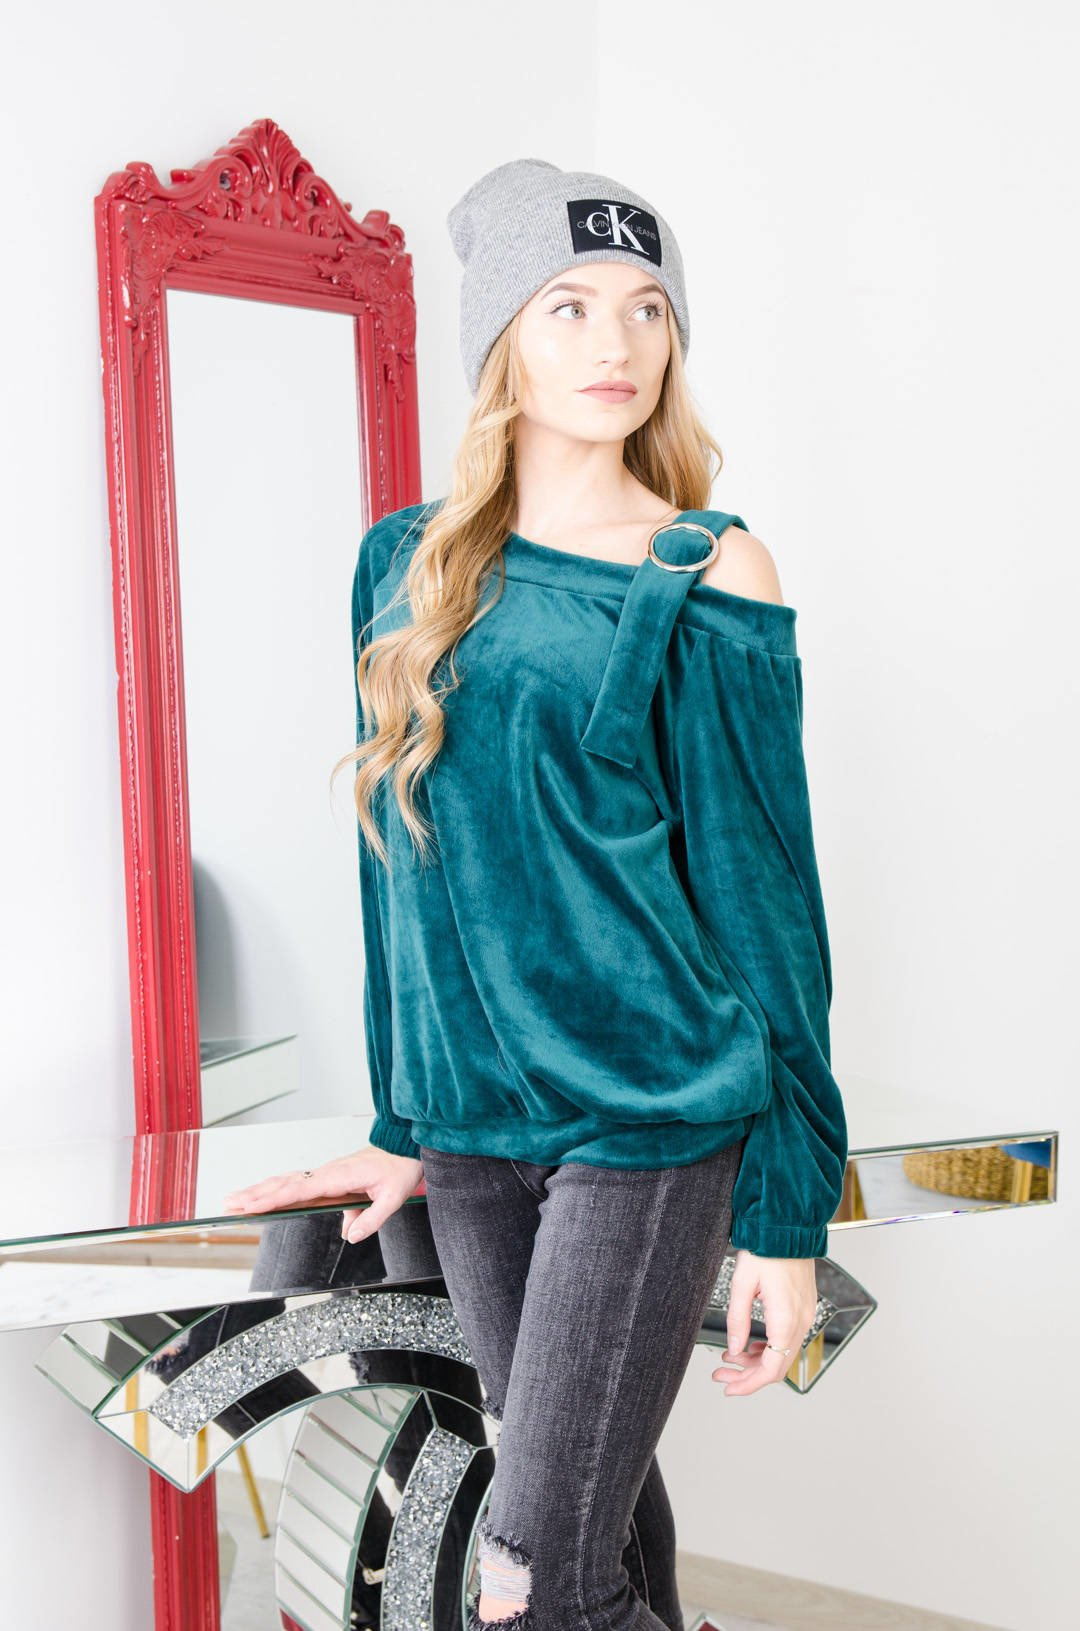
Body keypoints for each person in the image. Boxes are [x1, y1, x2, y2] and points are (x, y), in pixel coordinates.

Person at [226, 158, 848, 1631]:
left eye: (646, 308)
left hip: (646, 1122)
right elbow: (397, 873)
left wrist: (788, 1215)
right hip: (472, 1139)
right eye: (567, 306)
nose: (615, 344)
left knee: (528, 1584)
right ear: (501, 334)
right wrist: (404, 1124)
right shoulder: (404, 563)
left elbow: (769, 906)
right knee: (588, 1526)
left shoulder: (710, 570)